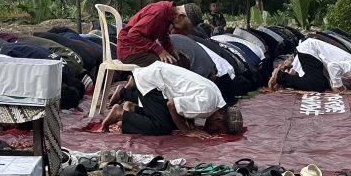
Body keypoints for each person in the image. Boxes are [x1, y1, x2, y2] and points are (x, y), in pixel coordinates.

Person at [99, 60, 243, 138]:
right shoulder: (208, 105)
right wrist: (187, 131)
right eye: (217, 130)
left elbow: (187, 103)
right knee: (163, 127)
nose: (213, 131)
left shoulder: (217, 99)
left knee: (175, 122)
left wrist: (189, 124)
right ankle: (120, 114)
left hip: (157, 76)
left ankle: (132, 108)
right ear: (218, 119)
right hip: (152, 80)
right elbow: (172, 104)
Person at [268, 36, 351, 94]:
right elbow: (332, 66)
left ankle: (288, 78)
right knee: (318, 85)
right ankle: (280, 77)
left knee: (322, 83)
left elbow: (332, 76)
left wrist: (337, 86)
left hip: (314, 55)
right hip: (311, 50)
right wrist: (338, 88)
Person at [115, 1, 202, 66]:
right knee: (169, 65)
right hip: (129, 51)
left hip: (142, 50)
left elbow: (163, 35)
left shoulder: (168, 14)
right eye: (186, 27)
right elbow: (133, 34)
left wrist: (171, 49)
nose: (185, 31)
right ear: (181, 16)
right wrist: (159, 51)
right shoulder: (158, 12)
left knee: (182, 60)